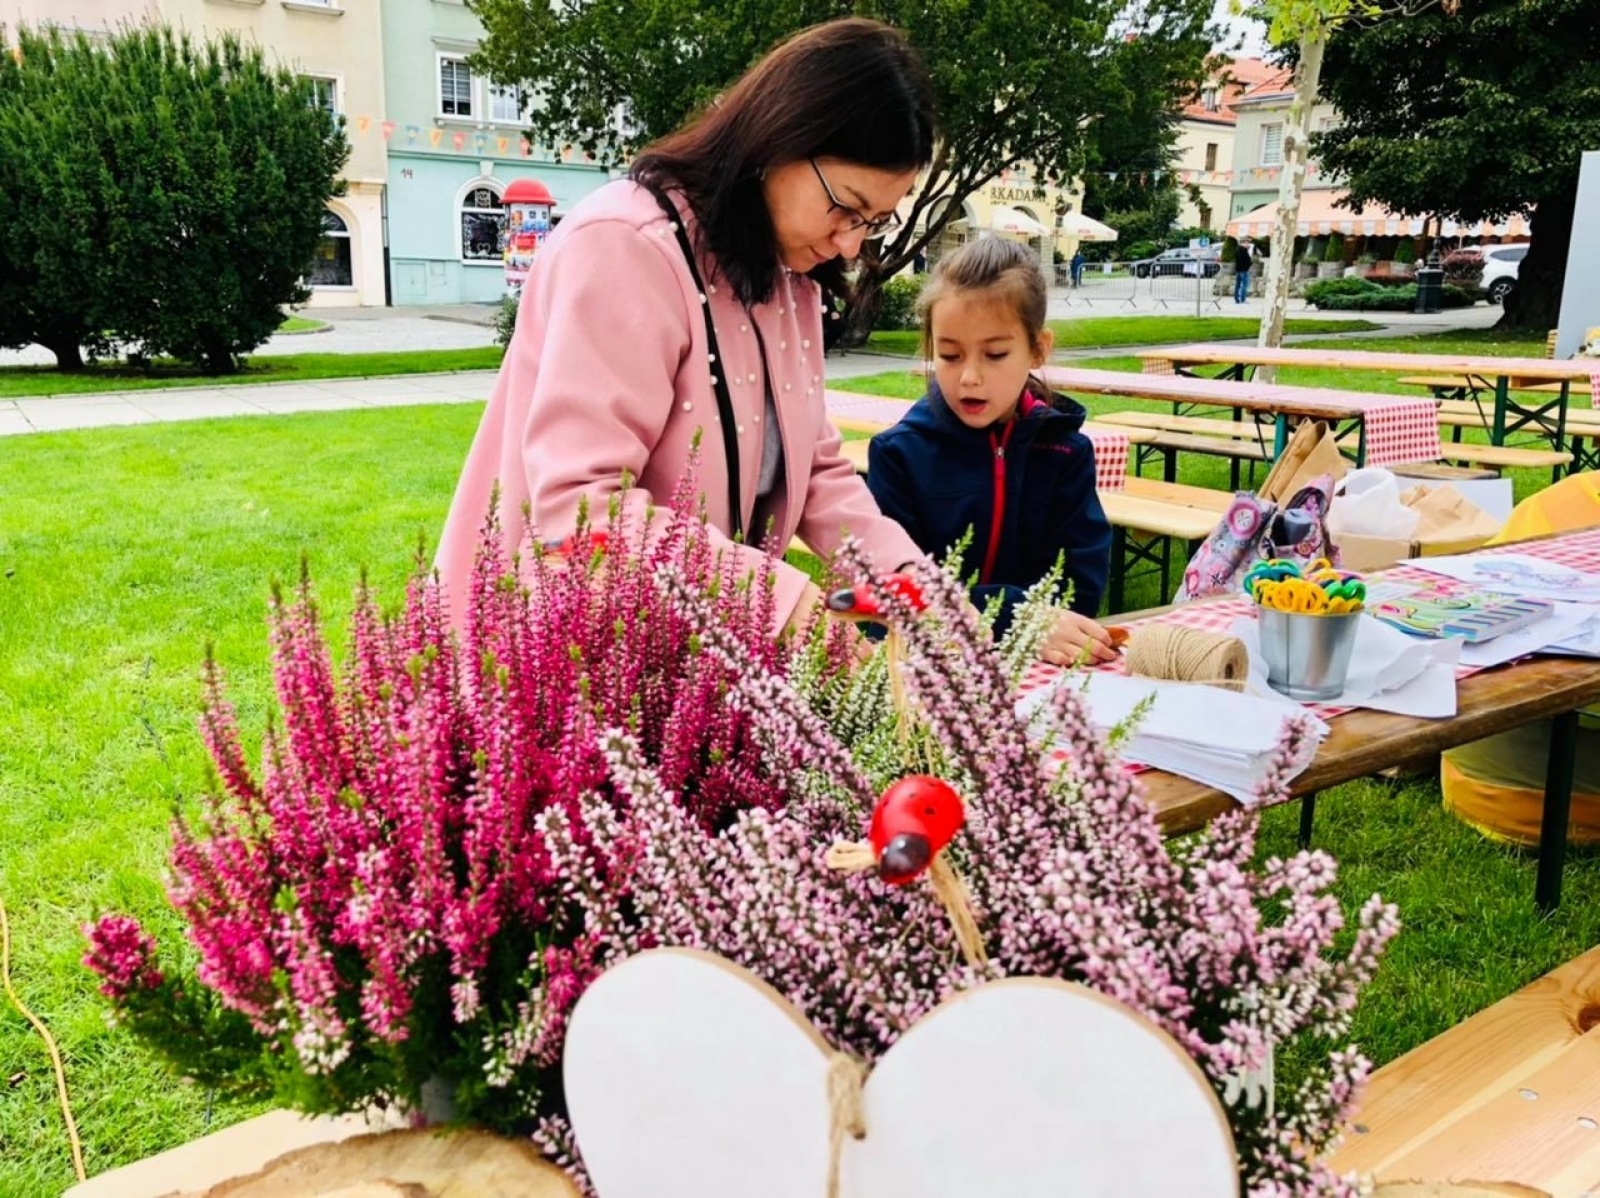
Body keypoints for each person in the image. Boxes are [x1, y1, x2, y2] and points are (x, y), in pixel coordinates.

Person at [435, 20, 937, 634]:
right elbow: (583, 513)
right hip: (559, 660)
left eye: (875, 220)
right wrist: (788, 608)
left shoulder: (787, 273)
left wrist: (933, 604)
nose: (852, 243)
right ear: (780, 137)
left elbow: (815, 475)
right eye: (845, 207)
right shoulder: (626, 247)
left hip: (696, 656)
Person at [865, 237, 1117, 666]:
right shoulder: (899, 454)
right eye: (949, 354)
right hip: (926, 674)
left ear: (1038, 348)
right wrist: (1012, 614)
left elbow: (1081, 587)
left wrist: (1042, 622)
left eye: (995, 354)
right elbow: (883, 604)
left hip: (1040, 674)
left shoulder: (1065, 452)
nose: (969, 376)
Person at [1233, 239, 1253, 304]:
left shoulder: (1237, 249)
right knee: (1244, 285)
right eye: (1248, 243)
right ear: (1244, 243)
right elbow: (1247, 260)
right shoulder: (1244, 251)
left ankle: (1236, 299)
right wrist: (1250, 263)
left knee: (1237, 285)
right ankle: (1242, 299)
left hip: (1238, 269)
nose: (1249, 245)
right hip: (1244, 270)